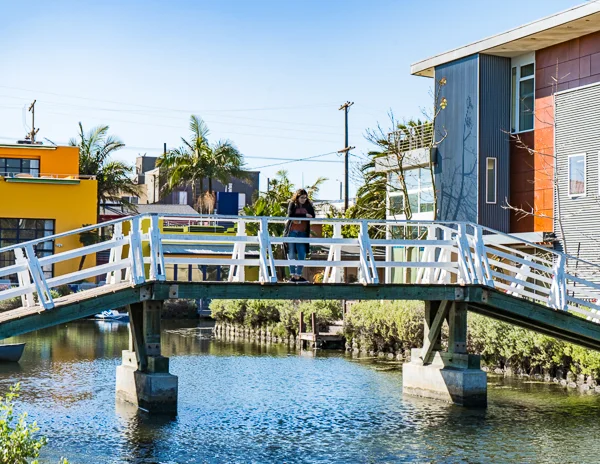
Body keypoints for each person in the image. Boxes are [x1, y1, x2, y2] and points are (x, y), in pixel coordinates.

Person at [283, 189, 315, 282]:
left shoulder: (308, 205)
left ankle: (298, 274)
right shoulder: (292, 204)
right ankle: (293, 275)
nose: (303, 199)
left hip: (302, 232)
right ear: (297, 197)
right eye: (302, 197)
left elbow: (312, 215)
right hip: (292, 231)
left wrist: (303, 217)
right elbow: (290, 215)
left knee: (302, 253)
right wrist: (305, 216)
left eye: (305, 197)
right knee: (291, 252)